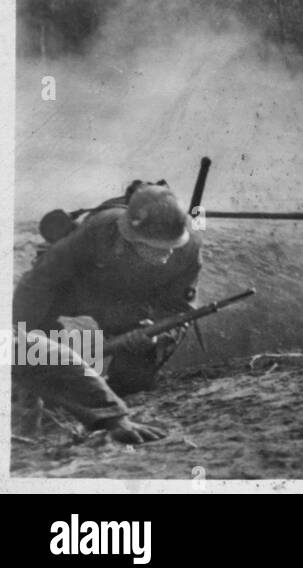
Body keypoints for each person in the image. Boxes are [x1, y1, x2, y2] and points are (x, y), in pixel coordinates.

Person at [12, 183, 201, 444]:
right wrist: (21, 337)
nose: (169, 255)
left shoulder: (188, 249)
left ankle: (102, 401)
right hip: (76, 291)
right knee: (36, 350)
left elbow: (178, 311)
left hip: (130, 305)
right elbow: (39, 283)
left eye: (172, 246)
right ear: (129, 238)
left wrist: (158, 335)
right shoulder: (99, 231)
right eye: (156, 247)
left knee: (134, 380)